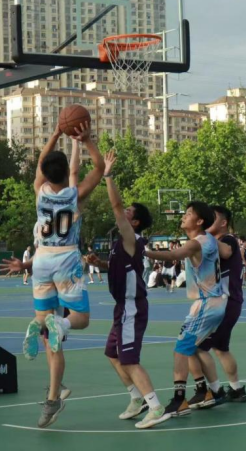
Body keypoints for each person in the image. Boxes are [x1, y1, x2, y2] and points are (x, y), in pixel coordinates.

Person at [0, 121, 104, 428]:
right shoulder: (75, 196)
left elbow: (40, 166)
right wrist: (86, 141)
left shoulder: (40, 193)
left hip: (42, 259)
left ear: (45, 174)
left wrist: (56, 134)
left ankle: (54, 394)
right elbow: (99, 168)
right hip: (66, 258)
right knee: (80, 319)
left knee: (48, 333)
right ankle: (60, 324)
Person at [81, 151, 169, 429]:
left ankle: (156, 407)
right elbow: (120, 268)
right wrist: (101, 264)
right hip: (123, 307)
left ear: (135, 222)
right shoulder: (121, 242)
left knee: (129, 359)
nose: (124, 211)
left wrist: (107, 175)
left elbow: (116, 205)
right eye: (126, 210)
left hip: (132, 306)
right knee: (112, 353)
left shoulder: (132, 238)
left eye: (130, 212)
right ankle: (136, 398)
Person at [144, 202, 229, 418]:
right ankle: (206, 391)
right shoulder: (209, 239)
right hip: (212, 302)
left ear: (199, 221)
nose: (183, 216)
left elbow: (172, 255)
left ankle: (179, 400)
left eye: (189, 214)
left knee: (181, 349)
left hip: (207, 303)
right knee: (191, 347)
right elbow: (227, 251)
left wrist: (142, 251)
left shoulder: (196, 243)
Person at [190, 205, 246, 407]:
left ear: (223, 223)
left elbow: (226, 253)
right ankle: (237, 389)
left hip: (225, 302)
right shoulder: (210, 243)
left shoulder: (228, 239)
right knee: (221, 348)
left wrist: (201, 232)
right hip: (228, 302)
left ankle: (214, 391)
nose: (207, 220)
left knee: (195, 346)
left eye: (212, 218)